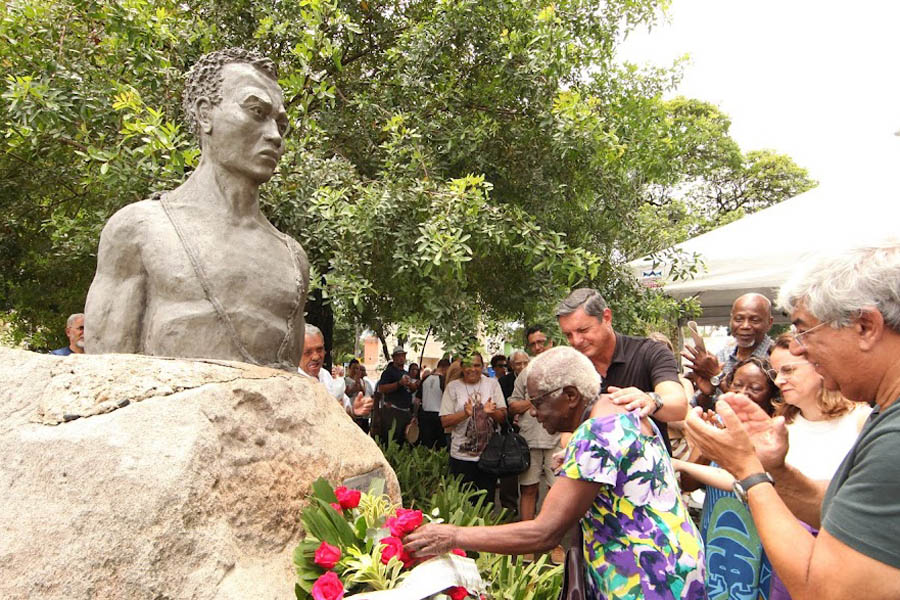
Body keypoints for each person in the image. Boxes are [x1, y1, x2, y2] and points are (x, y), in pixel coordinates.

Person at [684, 241, 900, 599]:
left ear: (866, 326)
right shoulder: (883, 412)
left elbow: (826, 590)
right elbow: (837, 513)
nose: (797, 348)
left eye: (804, 331)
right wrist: (774, 471)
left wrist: (748, 471)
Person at [406, 346, 707, 599]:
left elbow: (544, 532)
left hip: (646, 579)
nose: (533, 411)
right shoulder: (623, 411)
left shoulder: (597, 435)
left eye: (537, 401)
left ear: (571, 395)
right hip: (677, 563)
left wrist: (454, 535)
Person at [84, 48, 308, 371]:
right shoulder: (139, 230)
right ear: (205, 114)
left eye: (281, 125)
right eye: (257, 112)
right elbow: (105, 374)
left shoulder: (292, 258)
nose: (274, 136)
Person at [675, 357, 780, 600]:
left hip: (758, 538)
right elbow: (688, 484)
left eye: (755, 389)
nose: (743, 394)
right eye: (738, 385)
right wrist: (708, 442)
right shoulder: (718, 424)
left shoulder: (773, 435)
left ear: (771, 394)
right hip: (717, 538)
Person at [555, 288, 689, 452]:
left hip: (650, 472)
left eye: (583, 330)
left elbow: (678, 406)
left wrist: (651, 401)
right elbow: (567, 434)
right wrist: (575, 451)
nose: (576, 341)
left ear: (606, 317)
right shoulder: (572, 371)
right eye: (568, 335)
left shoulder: (650, 352)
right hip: (595, 474)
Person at [506, 326, 559, 523]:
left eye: (541, 342)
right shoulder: (526, 374)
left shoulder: (566, 369)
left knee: (556, 492)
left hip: (557, 440)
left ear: (551, 342)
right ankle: (526, 542)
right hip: (529, 441)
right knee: (528, 489)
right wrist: (533, 401)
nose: (537, 347)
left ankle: (554, 542)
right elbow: (512, 405)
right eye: (533, 344)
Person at [439, 351, 507, 501]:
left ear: (482, 366)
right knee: (463, 502)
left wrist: (491, 412)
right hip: (461, 456)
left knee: (486, 501)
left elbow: (503, 417)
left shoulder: (492, 384)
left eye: (477, 365)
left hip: (489, 456)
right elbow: (444, 421)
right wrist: (465, 413)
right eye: (468, 365)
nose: (473, 369)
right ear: (462, 367)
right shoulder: (453, 387)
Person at [683, 294, 774, 402]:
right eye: (739, 319)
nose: (745, 326)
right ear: (731, 321)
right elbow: (706, 404)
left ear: (769, 323)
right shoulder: (721, 356)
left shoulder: (776, 358)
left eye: (754, 320)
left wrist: (718, 376)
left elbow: (772, 408)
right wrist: (706, 394)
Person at [300, 325, 372, 419]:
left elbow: (344, 409)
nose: (316, 357)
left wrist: (354, 410)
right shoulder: (290, 381)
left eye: (319, 350)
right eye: (308, 352)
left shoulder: (325, 375)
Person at [377, 346, 419, 444]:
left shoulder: (406, 373)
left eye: (403, 356)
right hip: (393, 411)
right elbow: (382, 388)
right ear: (394, 358)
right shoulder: (388, 372)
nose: (401, 358)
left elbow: (412, 390)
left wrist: (411, 385)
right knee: (391, 440)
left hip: (405, 412)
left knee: (404, 441)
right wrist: (398, 383)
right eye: (398, 356)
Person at [419, 358, 451, 448]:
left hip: (425, 415)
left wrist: (415, 416)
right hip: (438, 416)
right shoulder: (443, 381)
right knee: (439, 446)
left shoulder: (425, 379)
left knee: (427, 444)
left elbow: (417, 400)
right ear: (445, 368)